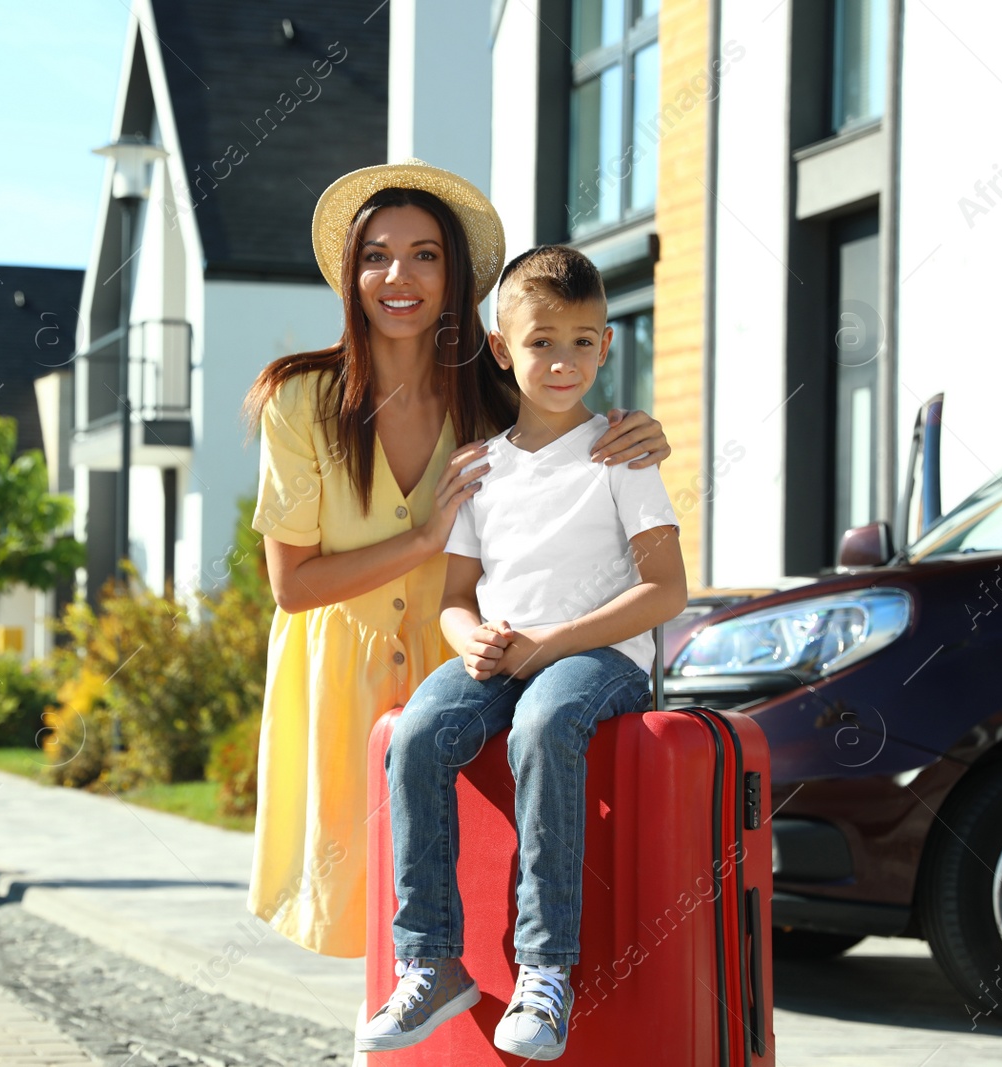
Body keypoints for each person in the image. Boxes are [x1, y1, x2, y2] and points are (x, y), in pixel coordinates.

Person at [243, 159, 672, 960]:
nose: (397, 275)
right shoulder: (299, 400)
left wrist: (642, 433)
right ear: (350, 271)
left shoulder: (495, 393)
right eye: (375, 253)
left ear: (456, 276)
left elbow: (577, 428)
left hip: (479, 671)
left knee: (477, 909)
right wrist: (418, 538)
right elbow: (293, 586)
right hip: (343, 683)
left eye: (425, 254)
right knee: (372, 928)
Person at [354, 245, 687, 1059]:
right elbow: (454, 601)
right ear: (504, 349)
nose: (563, 360)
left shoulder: (623, 453)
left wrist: (552, 642)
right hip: (504, 656)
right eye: (542, 341)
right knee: (418, 732)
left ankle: (545, 971)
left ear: (606, 346)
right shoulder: (482, 467)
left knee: (543, 722)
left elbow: (666, 591)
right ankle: (432, 960)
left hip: (596, 656)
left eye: (582, 341)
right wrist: (472, 641)